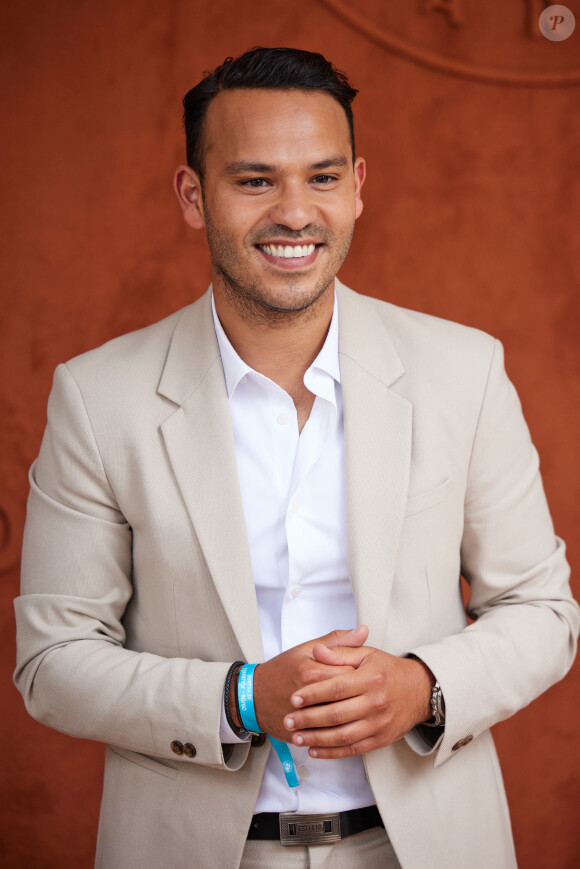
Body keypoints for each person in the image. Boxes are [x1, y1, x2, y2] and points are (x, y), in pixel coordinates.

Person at [14, 47, 578, 869]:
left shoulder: (466, 371)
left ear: (357, 186)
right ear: (192, 195)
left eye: (321, 177)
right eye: (253, 180)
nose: (294, 212)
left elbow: (544, 611)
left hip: (423, 847)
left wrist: (422, 685)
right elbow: (53, 662)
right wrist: (240, 698)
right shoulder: (99, 398)